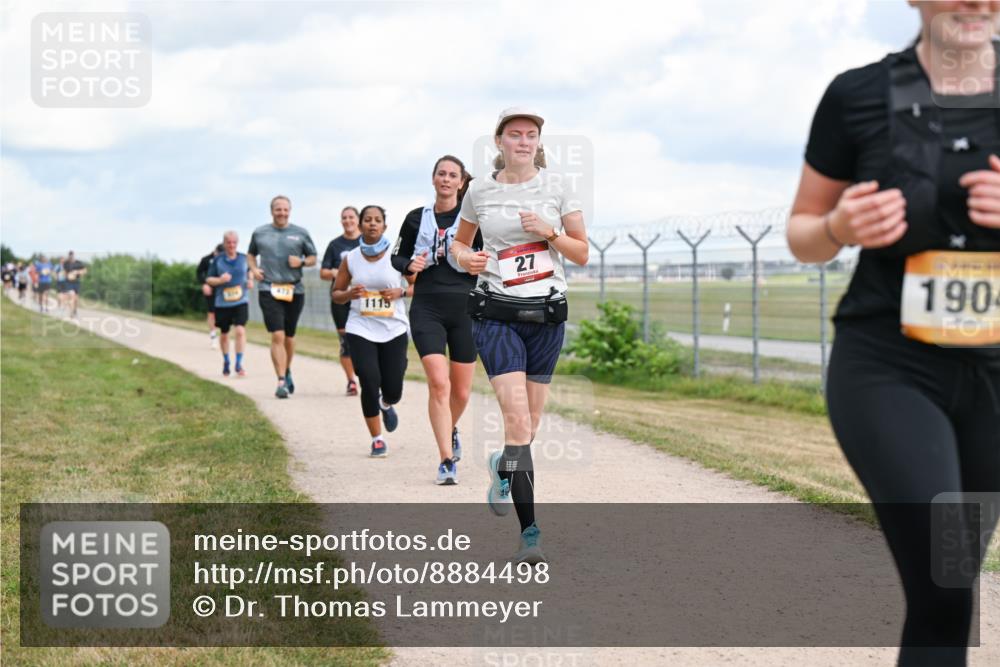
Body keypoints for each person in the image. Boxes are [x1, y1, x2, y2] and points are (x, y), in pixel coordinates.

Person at [788, 4, 1000, 664]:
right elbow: (803, 231)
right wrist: (838, 229)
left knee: (953, 572)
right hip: (889, 365)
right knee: (943, 584)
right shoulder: (857, 94)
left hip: (993, 376)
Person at [451, 107, 588, 563]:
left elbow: (582, 252)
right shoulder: (480, 190)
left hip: (546, 314)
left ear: (538, 143)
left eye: (531, 135)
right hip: (496, 312)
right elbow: (459, 242)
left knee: (528, 427)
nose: (523, 141)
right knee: (517, 421)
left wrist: (549, 232)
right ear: (500, 142)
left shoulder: (558, 186)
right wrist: (463, 260)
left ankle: (503, 465)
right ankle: (530, 531)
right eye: (515, 135)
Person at [392, 155, 482, 486]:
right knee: (438, 384)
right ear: (433, 179)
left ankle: (450, 426)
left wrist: (477, 261)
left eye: (452, 175)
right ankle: (446, 459)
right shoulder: (416, 218)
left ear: (461, 183)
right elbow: (397, 255)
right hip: (427, 306)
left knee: (461, 390)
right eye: (440, 174)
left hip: (465, 308)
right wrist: (408, 266)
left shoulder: (472, 219)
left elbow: (488, 257)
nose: (445, 179)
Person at [332, 205, 409, 458]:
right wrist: (348, 294)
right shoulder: (351, 258)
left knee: (393, 389)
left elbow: (419, 286)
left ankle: (386, 403)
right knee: (368, 379)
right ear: (361, 225)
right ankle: (377, 439)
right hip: (361, 326)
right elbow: (336, 294)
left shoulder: (397, 257)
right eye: (368, 220)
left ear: (385, 226)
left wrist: (401, 292)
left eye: (377, 220)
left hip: (393, 328)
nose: (372, 224)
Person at [248, 195, 317, 399]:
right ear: (272, 211)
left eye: (285, 209)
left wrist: (302, 263)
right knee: (277, 335)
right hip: (268, 288)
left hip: (294, 290)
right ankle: (280, 381)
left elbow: (313, 257)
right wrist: (253, 268)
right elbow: (250, 254)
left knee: (289, 336)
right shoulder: (260, 233)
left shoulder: (301, 233)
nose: (282, 213)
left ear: (290, 211)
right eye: (278, 209)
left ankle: (286, 370)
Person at [320, 206, 362, 396]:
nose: (348, 221)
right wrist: (337, 273)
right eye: (344, 218)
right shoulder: (335, 245)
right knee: (346, 342)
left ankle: (369, 376)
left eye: (351, 217)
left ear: (358, 219)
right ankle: (351, 381)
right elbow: (323, 272)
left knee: (364, 340)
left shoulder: (368, 241)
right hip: (341, 298)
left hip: (364, 298)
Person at [206, 231, 253, 377]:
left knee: (240, 331)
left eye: (234, 242)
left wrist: (250, 279)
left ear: (237, 243)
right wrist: (220, 280)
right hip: (222, 303)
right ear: (224, 243)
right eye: (228, 242)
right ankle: (226, 361)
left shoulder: (244, 258)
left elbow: (251, 271)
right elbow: (209, 280)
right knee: (224, 334)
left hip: (241, 301)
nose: (231, 245)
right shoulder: (218, 261)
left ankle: (239, 363)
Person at [197, 244, 224, 349]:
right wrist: (204, 284)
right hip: (211, 290)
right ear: (215, 251)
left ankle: (223, 335)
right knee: (212, 313)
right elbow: (199, 273)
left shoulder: (226, 259)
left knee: (223, 313)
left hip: (223, 290)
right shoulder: (206, 260)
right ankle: (213, 337)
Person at [62, 251, 87, 319]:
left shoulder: (78, 263)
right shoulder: (66, 263)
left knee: (76, 298)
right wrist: (67, 276)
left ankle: (75, 310)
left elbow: (85, 271)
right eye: (69, 256)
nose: (71, 258)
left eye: (72, 256)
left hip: (76, 282)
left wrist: (77, 272)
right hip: (68, 282)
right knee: (71, 295)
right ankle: (71, 312)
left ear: (73, 256)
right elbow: (64, 272)